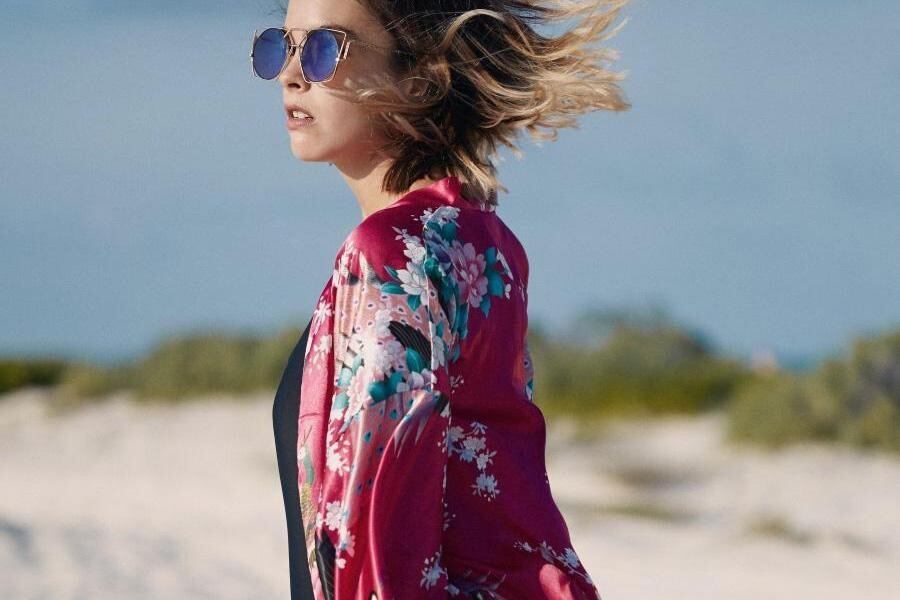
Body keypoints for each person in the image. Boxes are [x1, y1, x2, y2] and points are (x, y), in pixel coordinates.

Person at [259, 0, 631, 597]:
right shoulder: (485, 239)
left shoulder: (388, 253)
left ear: (421, 77)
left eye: (327, 48)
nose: (291, 73)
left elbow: (377, 549)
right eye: (282, 45)